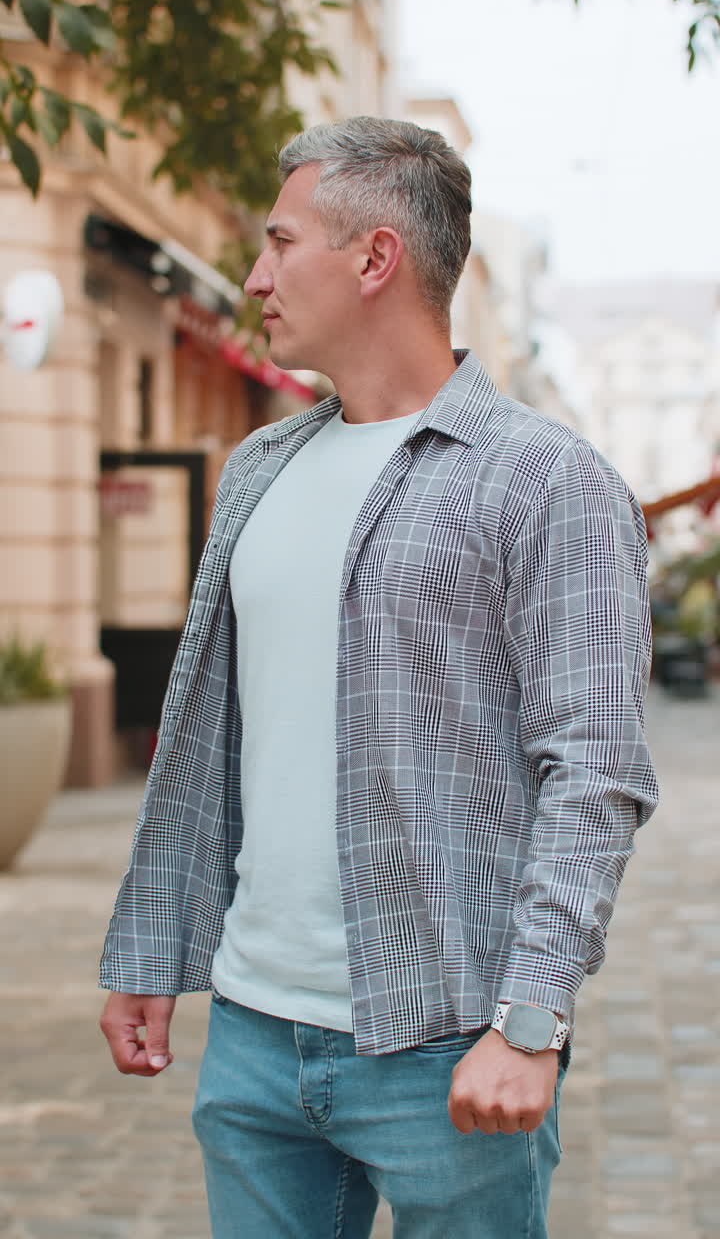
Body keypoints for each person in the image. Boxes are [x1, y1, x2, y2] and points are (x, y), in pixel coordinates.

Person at [99, 116, 658, 1238]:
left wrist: (533, 1019)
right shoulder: (258, 469)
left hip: (448, 1036)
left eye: (279, 241)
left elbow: (594, 766)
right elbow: (211, 732)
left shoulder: (547, 481)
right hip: (254, 1035)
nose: (255, 274)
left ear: (374, 259)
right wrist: (154, 947)